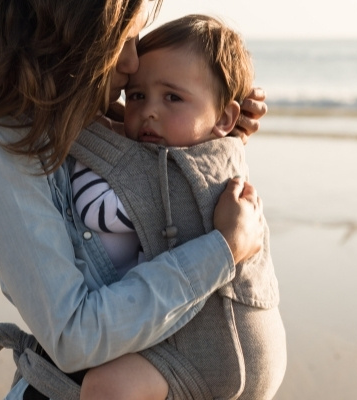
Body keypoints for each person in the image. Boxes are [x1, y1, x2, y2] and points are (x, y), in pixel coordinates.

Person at [0, 0, 268, 398]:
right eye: (124, 39)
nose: (133, 62)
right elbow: (74, 336)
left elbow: (166, 156)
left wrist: (212, 129)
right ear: (71, 35)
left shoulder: (81, 114)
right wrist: (223, 251)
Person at [71, 15, 285, 400]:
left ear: (224, 118)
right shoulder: (218, 152)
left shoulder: (176, 173)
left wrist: (79, 133)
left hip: (208, 350)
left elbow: (97, 207)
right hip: (258, 338)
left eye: (172, 97)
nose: (149, 111)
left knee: (104, 388)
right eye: (136, 96)